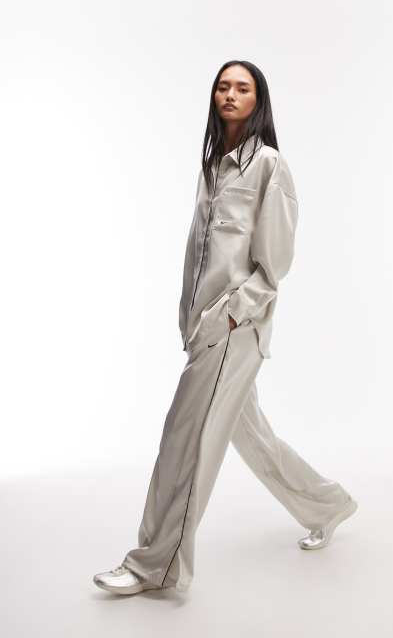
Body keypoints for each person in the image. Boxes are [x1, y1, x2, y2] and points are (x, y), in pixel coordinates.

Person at [93, 60, 358, 596]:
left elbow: (274, 263)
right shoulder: (213, 166)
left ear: (259, 100)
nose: (230, 94)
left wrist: (233, 313)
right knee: (255, 439)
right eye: (222, 86)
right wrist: (190, 316)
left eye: (243, 87)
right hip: (204, 327)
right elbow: (198, 249)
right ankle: (326, 504)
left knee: (185, 443)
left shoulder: (269, 165)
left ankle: (155, 566)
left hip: (234, 328)